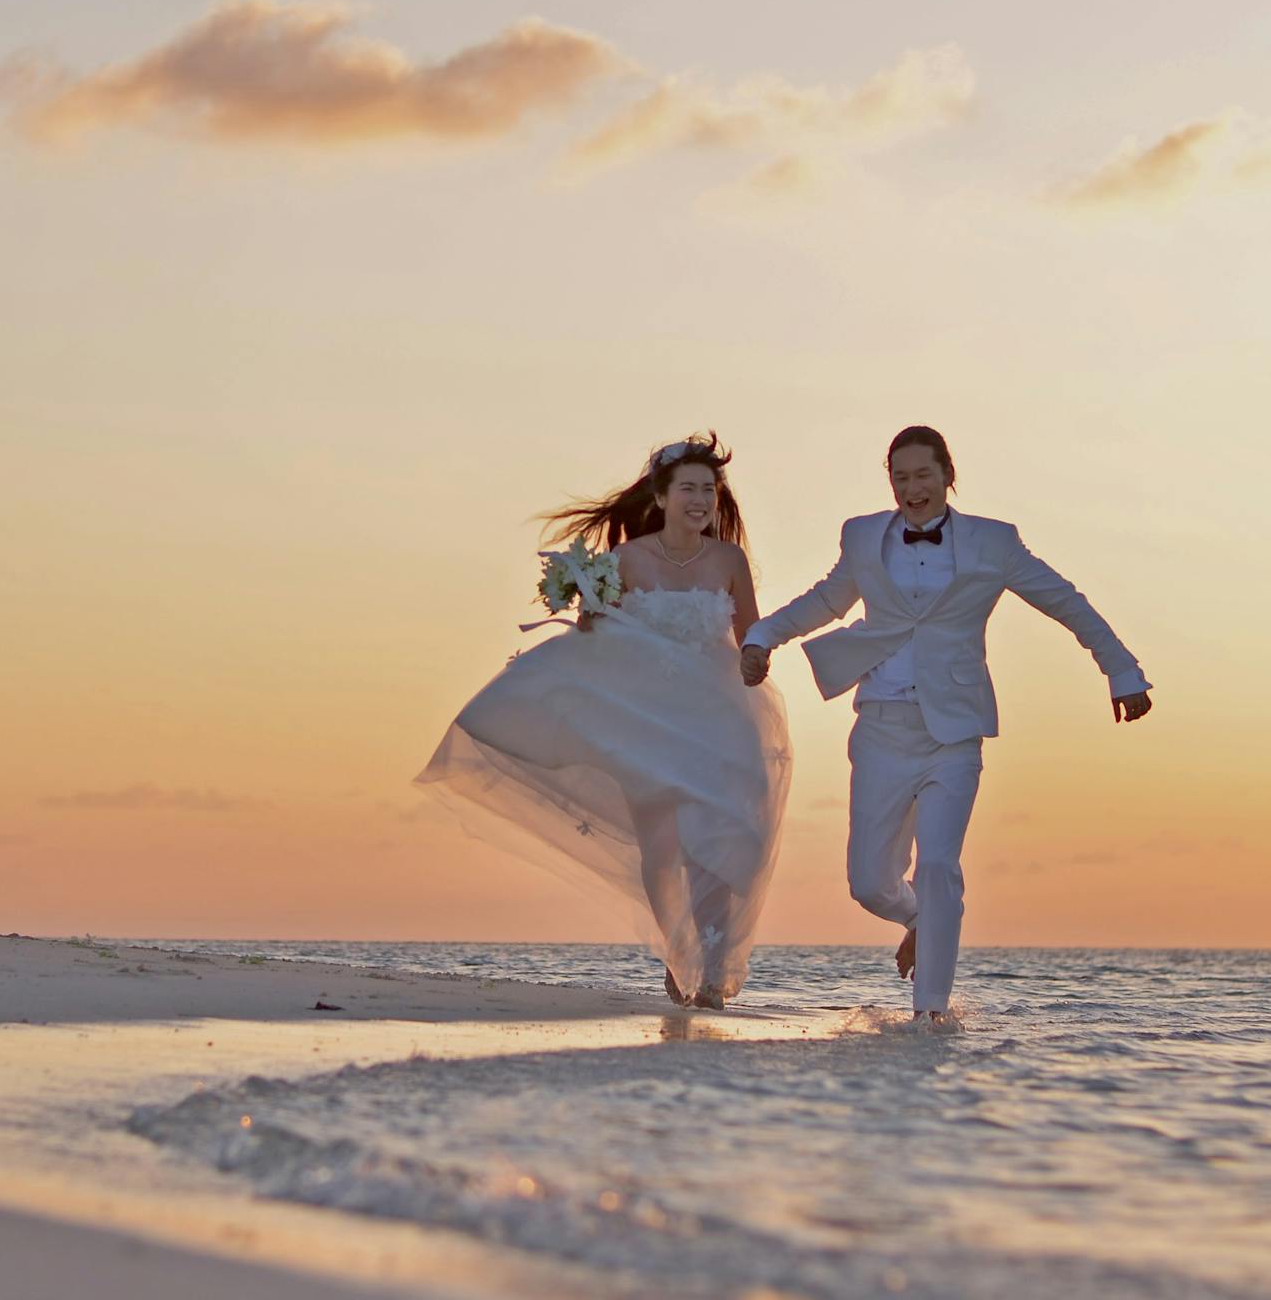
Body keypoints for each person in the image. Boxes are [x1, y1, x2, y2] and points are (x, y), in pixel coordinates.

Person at [740, 426, 1152, 1029]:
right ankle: (919, 920)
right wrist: (762, 636)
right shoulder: (862, 537)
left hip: (953, 734)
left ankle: (930, 1014)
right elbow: (826, 601)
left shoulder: (993, 543)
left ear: (946, 475)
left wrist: (1122, 671)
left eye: (923, 475)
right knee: (868, 882)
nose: (912, 489)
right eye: (899, 477)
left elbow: (1066, 601)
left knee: (938, 866)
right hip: (881, 726)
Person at [414, 435, 793, 1007]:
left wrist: (757, 657)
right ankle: (678, 950)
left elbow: (750, 635)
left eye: (708, 490)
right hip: (645, 724)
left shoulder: (729, 560)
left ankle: (713, 970)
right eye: (688, 488)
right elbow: (602, 641)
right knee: (662, 847)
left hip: (718, 718)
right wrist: (588, 612)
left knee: (715, 837)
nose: (700, 499)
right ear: (662, 497)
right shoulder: (626, 561)